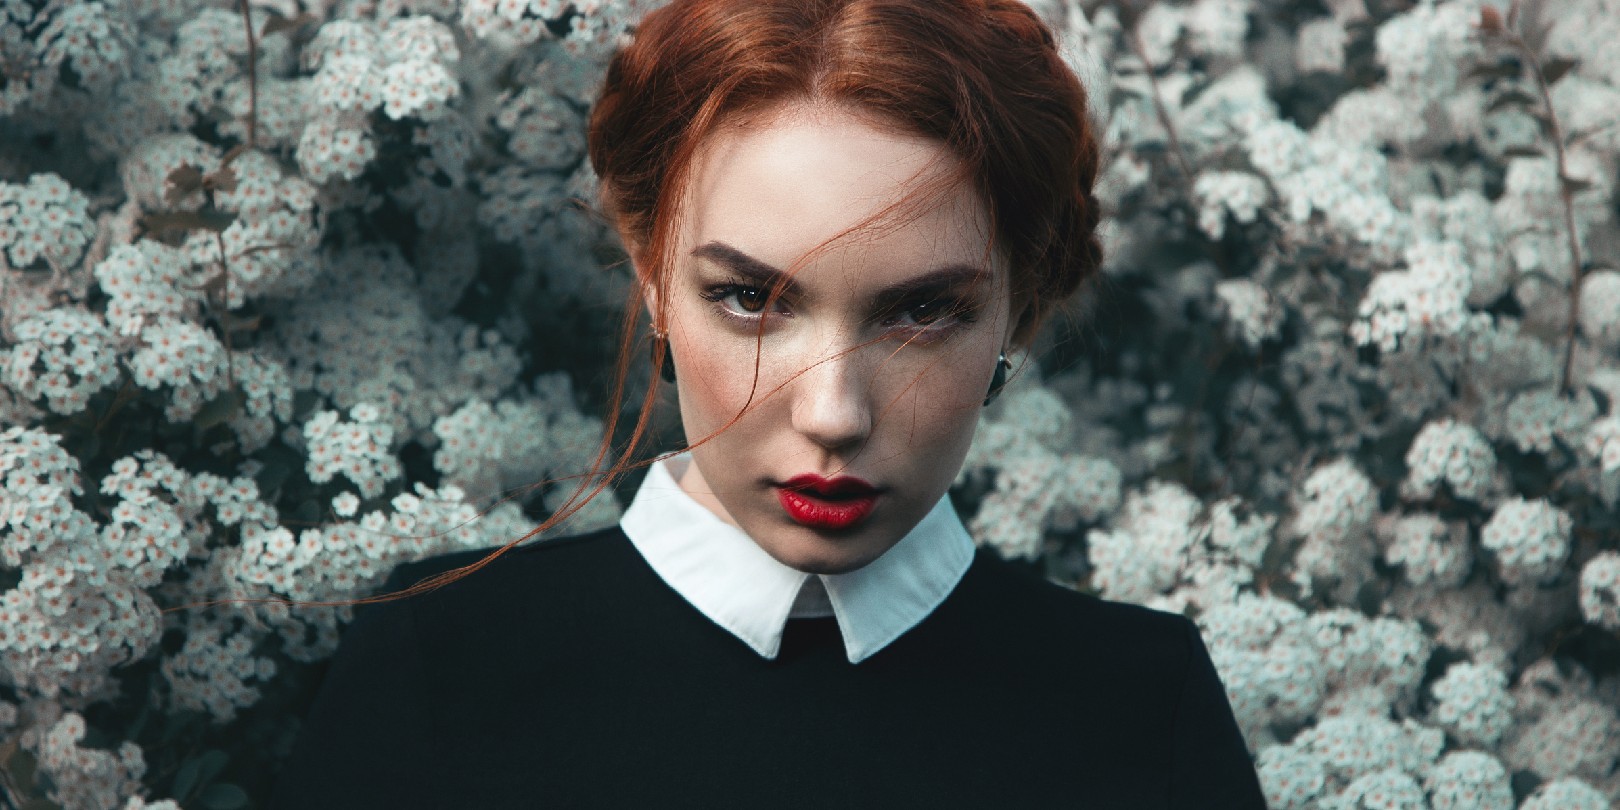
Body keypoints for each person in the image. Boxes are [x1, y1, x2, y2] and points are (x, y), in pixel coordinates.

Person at [270, 0, 1267, 806]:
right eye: (750, 297)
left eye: (923, 311)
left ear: (1020, 307)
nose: (833, 414)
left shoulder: (1139, 703)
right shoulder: (441, 666)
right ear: (652, 275)